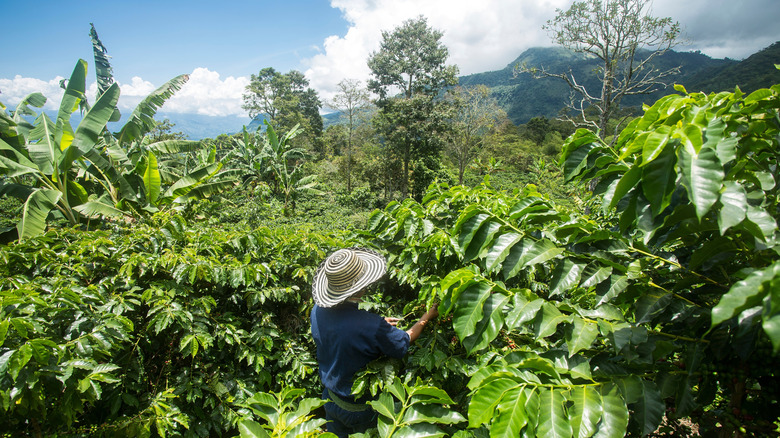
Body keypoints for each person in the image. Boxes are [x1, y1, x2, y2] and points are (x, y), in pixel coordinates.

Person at [310, 247, 438, 437]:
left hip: (330, 399)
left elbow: (344, 334)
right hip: (360, 408)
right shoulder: (370, 326)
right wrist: (426, 317)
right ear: (361, 286)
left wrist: (376, 327)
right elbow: (404, 340)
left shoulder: (317, 310)